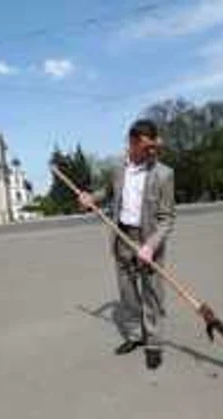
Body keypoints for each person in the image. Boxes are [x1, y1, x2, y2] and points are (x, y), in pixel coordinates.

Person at [78, 119, 175, 370]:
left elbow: (167, 219)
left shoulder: (164, 174)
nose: (151, 152)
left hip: (148, 239)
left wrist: (150, 246)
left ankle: (153, 343)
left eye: (154, 146)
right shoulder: (117, 168)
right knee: (128, 292)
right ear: (131, 143)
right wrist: (90, 198)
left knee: (151, 294)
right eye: (146, 147)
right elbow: (108, 193)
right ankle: (135, 335)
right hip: (121, 236)